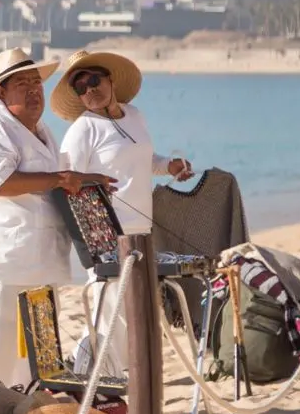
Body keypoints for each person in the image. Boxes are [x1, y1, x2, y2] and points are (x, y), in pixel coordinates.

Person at [0, 48, 116, 393]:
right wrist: (61, 179)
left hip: (37, 262)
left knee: (38, 359)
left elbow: (52, 178)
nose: (33, 89)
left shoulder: (41, 130)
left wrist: (84, 180)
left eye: (36, 82)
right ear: (0, 92)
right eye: (21, 83)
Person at [50, 50, 193, 377]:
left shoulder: (135, 116)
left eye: (94, 81)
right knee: (111, 310)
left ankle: (100, 372)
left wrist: (168, 166)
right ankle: (93, 375)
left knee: (131, 309)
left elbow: (143, 158)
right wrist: (93, 186)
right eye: (80, 87)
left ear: (111, 80)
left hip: (141, 230)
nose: (89, 90)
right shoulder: (83, 129)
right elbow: (65, 181)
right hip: (107, 235)